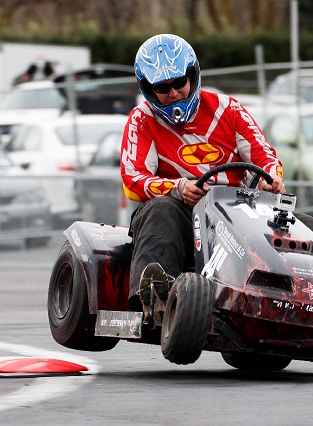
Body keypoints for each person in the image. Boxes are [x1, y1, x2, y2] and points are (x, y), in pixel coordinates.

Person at [120, 34, 286, 315]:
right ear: (149, 89)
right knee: (160, 209)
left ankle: (306, 298)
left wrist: (272, 176)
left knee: (292, 222)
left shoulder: (228, 109)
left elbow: (263, 153)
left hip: (237, 213)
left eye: (179, 83)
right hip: (181, 215)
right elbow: (132, 179)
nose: (173, 93)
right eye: (162, 87)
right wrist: (177, 188)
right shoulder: (142, 119)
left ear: (192, 76)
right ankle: (157, 297)